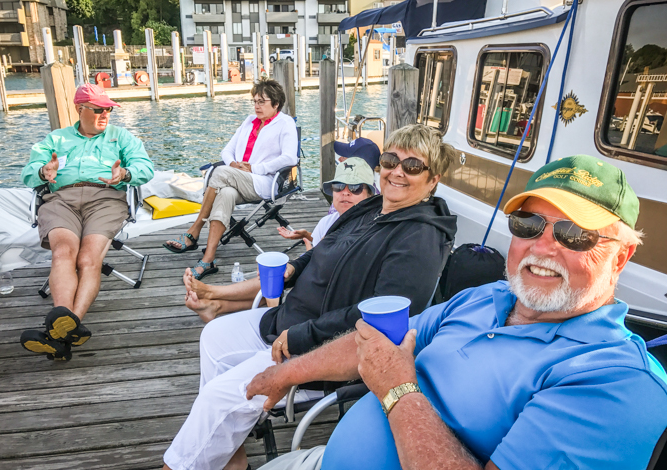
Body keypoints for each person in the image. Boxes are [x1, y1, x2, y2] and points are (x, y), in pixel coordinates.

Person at [247, 154, 667, 470]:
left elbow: (389, 370)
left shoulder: (615, 379)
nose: (542, 247)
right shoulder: (486, 298)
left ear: (621, 256)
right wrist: (284, 374)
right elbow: (375, 344)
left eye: (575, 234)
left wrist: (397, 388)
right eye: (528, 224)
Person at [162, 124, 458, 470]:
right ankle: (232, 455)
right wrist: (294, 269)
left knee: (218, 398)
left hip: (317, 349)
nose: (397, 171)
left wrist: (304, 335)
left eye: (413, 166)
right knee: (213, 336)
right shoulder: (374, 206)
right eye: (392, 159)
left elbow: (380, 320)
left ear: (433, 179)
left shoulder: (420, 237)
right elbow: (325, 248)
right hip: (288, 320)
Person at [19, 83, 154, 361]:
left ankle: (62, 331)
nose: (105, 115)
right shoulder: (55, 139)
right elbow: (28, 173)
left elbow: (145, 167)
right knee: (64, 251)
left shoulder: (122, 138)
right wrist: (43, 171)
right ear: (79, 109)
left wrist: (125, 175)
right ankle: (67, 329)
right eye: (98, 110)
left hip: (105, 198)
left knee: (89, 259)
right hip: (61, 199)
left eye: (108, 110)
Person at [185, 157, 376, 323]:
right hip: (313, 281)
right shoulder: (328, 221)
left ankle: (212, 293)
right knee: (274, 277)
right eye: (339, 186)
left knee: (276, 280)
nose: (345, 192)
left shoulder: (370, 230)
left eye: (356, 187)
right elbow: (314, 254)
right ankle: (215, 306)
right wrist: (306, 238)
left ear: (370, 194)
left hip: (328, 295)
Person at [163, 79, 298, 280]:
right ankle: (207, 260)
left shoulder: (285, 123)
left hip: (264, 182)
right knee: (225, 193)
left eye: (262, 101)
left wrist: (254, 168)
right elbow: (226, 150)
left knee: (219, 173)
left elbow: (290, 158)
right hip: (235, 177)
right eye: (254, 101)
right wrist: (233, 164)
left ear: (276, 103)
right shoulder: (249, 121)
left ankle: (195, 230)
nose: (257, 106)